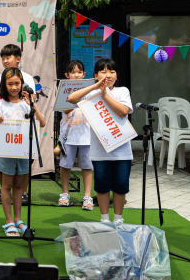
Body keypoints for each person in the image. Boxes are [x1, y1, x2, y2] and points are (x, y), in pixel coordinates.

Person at [67, 58, 133, 225]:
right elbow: (71, 99)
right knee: (102, 185)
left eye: (112, 71)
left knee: (120, 186)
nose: (108, 75)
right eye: (103, 72)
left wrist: (105, 95)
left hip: (122, 150)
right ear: (95, 75)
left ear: (117, 75)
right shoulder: (90, 93)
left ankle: (118, 219)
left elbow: (123, 111)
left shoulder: (122, 91)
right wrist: (96, 87)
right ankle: (104, 219)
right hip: (99, 151)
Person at [0, 67, 46, 236]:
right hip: (6, 151)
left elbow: (42, 123)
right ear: (4, 85)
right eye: (10, 84)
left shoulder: (26, 104)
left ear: (22, 84)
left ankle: (18, 219)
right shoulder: (0, 104)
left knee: (19, 186)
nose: (14, 87)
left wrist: (32, 103)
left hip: (23, 150)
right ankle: (8, 221)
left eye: (17, 83)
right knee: (6, 185)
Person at [0, 44, 34, 204]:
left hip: (22, 128)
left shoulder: (27, 78)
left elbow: (32, 100)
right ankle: (3, 189)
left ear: (18, 59)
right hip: (1, 127)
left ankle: (23, 192)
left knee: (24, 160)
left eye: (8, 57)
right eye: (3, 58)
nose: (5, 61)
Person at [57, 60, 94, 210]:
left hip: (87, 136)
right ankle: (65, 193)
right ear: (67, 75)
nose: (77, 75)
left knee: (87, 166)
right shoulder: (63, 90)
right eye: (73, 72)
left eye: (79, 72)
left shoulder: (91, 91)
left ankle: (87, 196)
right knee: (65, 165)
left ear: (84, 74)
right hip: (68, 136)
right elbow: (65, 110)